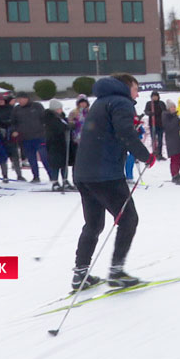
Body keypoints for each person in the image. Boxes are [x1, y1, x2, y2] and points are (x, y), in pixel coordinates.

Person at [72, 73, 155, 290]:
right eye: (136, 88)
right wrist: (146, 155)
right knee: (128, 219)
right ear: (127, 87)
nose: (137, 93)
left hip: (84, 173)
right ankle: (116, 272)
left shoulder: (101, 102)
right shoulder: (121, 102)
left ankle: (80, 274)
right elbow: (124, 133)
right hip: (105, 174)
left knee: (93, 224)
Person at [11, 92, 52, 183]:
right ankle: (36, 176)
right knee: (31, 159)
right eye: (18, 99)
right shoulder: (17, 109)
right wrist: (15, 130)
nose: (20, 101)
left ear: (26, 98)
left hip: (39, 136)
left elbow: (44, 118)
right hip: (25, 138)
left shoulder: (37, 106)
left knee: (44, 157)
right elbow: (13, 122)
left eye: (21, 99)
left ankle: (52, 175)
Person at [0, 94, 24, 182]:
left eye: (2, 100)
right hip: (0, 136)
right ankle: (5, 175)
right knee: (3, 157)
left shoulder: (11, 109)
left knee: (15, 156)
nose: (1, 102)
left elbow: (16, 120)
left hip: (11, 135)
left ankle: (19, 175)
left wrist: (15, 129)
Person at [45, 99, 74, 191]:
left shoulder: (61, 117)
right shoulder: (49, 118)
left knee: (64, 163)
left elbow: (65, 125)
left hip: (63, 144)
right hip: (54, 144)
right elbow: (57, 128)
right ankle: (55, 182)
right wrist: (66, 127)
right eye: (59, 108)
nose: (61, 110)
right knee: (56, 164)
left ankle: (65, 180)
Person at [162, 100, 180, 184]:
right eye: (172, 107)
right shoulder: (166, 115)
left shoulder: (175, 115)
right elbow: (169, 127)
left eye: (174, 107)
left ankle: (178, 174)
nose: (173, 108)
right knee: (174, 158)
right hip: (172, 139)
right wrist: (177, 118)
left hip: (179, 138)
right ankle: (174, 175)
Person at [68, 94, 90, 165]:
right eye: (81, 102)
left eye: (84, 102)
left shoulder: (90, 112)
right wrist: (75, 123)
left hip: (88, 138)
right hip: (77, 139)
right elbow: (69, 123)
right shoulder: (73, 112)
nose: (83, 104)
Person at [144, 91, 167, 160]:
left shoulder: (161, 103)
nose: (154, 98)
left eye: (156, 96)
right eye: (153, 96)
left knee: (160, 140)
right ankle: (154, 153)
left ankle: (159, 154)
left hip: (160, 124)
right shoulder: (149, 104)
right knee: (154, 139)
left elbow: (165, 111)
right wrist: (150, 113)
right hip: (153, 125)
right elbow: (146, 111)